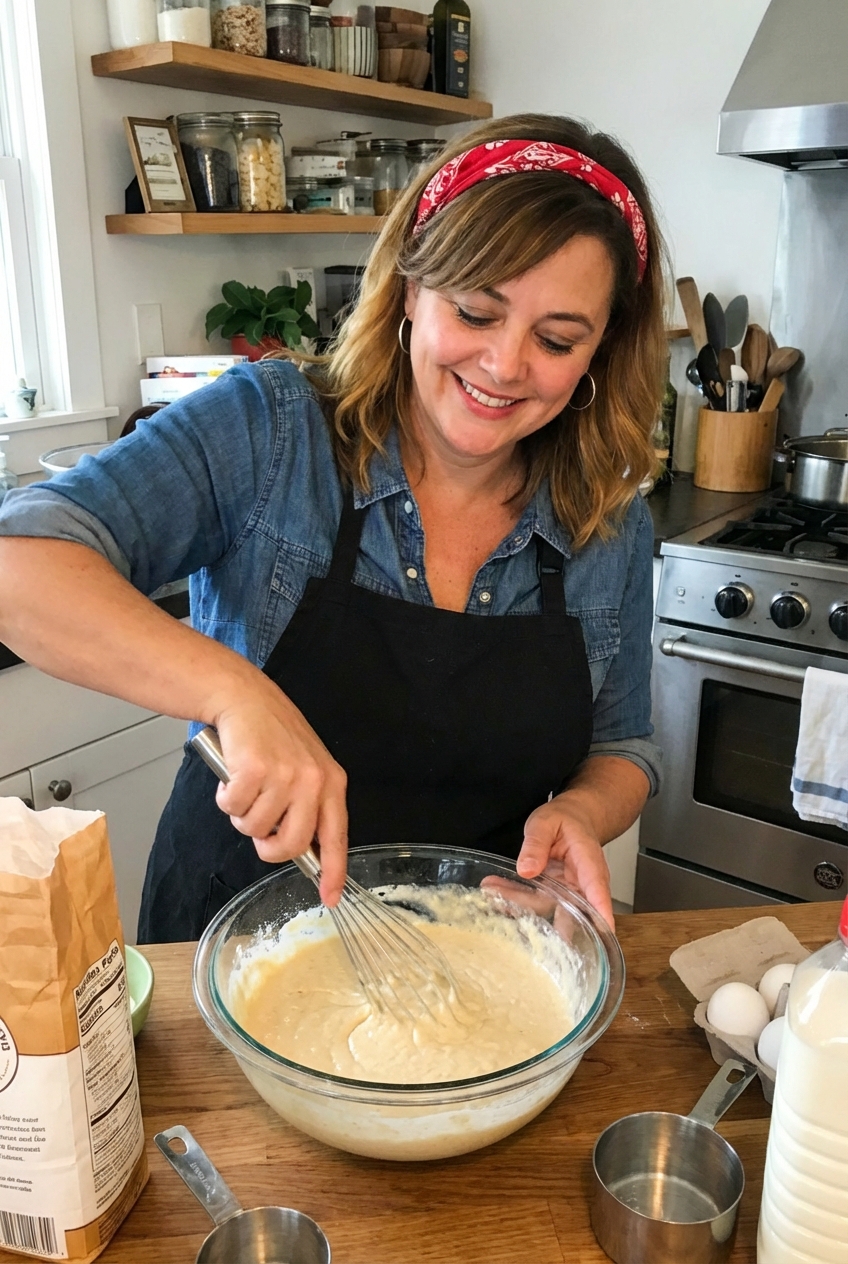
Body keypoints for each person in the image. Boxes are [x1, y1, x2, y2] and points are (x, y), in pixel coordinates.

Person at [0, 113, 666, 943]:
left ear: (602, 349)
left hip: (475, 950)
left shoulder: (610, 521)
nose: (505, 365)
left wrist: (583, 811)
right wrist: (235, 693)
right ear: (412, 288)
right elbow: (19, 566)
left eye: (557, 339)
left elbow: (625, 746)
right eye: (475, 312)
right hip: (232, 940)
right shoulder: (270, 432)